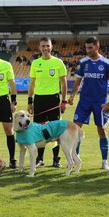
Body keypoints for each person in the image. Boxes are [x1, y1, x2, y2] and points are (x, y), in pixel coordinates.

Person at [68, 36, 109, 170]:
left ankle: (104, 161)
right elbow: (77, 82)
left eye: (90, 47)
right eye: (86, 48)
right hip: (84, 102)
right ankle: (75, 159)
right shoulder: (83, 62)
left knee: (101, 130)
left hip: (100, 103)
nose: (88, 50)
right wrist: (72, 96)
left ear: (97, 47)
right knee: (75, 130)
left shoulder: (107, 63)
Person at [27, 36, 68, 168]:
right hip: (39, 100)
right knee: (39, 130)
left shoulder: (58, 63)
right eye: (43, 46)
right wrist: (30, 102)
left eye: (47, 46)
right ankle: (40, 158)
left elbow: (64, 83)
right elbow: (32, 84)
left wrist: (64, 101)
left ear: (51, 47)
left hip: (53, 99)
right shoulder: (35, 63)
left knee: (55, 130)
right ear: (39, 47)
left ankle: (56, 159)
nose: (45, 48)